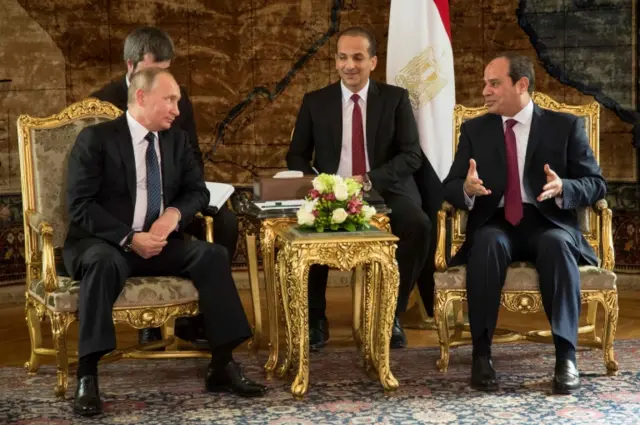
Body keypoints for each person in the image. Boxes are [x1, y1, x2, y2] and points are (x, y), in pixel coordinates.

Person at [65, 68, 266, 417]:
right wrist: (130, 238)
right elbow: (80, 206)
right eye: (170, 99)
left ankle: (222, 364)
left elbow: (197, 191)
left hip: (158, 243)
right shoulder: (96, 139)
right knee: (102, 263)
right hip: (105, 243)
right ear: (141, 98)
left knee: (212, 256)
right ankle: (88, 375)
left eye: (177, 100)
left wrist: (174, 214)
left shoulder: (176, 140)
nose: (177, 108)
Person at [442, 53, 606, 394]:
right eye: (485, 83)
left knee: (558, 244)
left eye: (494, 83)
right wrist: (466, 189)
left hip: (548, 219)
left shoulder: (564, 126)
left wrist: (566, 187)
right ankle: (482, 355)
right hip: (496, 220)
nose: (484, 90)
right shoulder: (474, 129)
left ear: (521, 84)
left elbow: (596, 184)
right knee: (487, 245)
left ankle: (566, 357)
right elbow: (450, 183)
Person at [90, 26, 239, 347]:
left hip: (169, 197)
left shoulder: (176, 99)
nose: (164, 83)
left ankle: (196, 317)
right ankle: (149, 320)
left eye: (166, 72)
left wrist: (175, 210)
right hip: (121, 209)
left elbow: (192, 159)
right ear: (131, 66)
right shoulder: (98, 105)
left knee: (225, 222)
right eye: (153, 71)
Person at [286, 26, 431, 350]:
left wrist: (369, 179)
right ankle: (315, 318)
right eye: (342, 57)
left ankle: (390, 311)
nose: (349, 65)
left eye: (357, 57)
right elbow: (295, 154)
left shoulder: (394, 99)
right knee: (308, 227)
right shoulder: (316, 101)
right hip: (329, 189)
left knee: (418, 226)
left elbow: (412, 155)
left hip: (383, 186)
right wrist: (317, 184)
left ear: (373, 62)